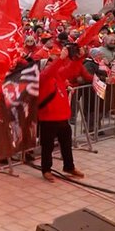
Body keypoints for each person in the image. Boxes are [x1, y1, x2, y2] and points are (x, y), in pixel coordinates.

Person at [37, 46, 90, 182]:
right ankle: (46, 170)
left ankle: (69, 166)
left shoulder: (59, 76)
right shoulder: (42, 78)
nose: (52, 65)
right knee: (47, 146)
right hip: (48, 118)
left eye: (52, 62)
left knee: (66, 144)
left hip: (62, 117)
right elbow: (50, 71)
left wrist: (79, 58)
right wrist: (60, 59)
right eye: (49, 63)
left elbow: (72, 69)